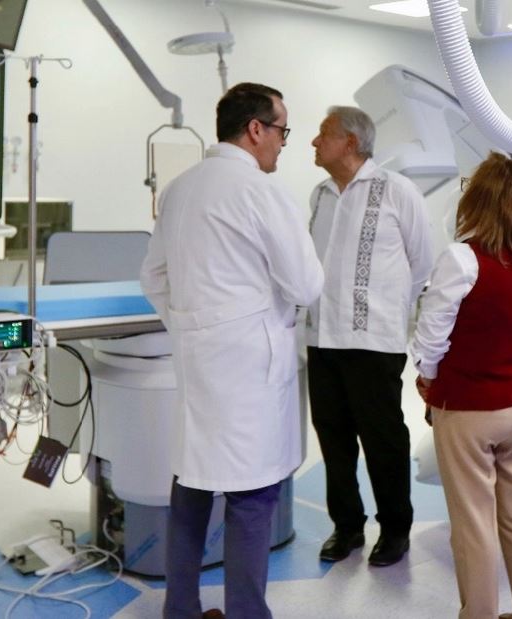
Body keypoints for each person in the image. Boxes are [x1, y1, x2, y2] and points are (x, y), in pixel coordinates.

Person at [140, 82, 324, 619]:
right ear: (256, 130)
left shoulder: (179, 188)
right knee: (251, 498)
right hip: (251, 369)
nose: (285, 143)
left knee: (192, 489)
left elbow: (153, 274)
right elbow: (306, 286)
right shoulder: (262, 193)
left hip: (200, 363)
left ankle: (181, 609)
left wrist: (189, 323)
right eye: (283, 131)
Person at [411, 153, 512, 619]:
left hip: (469, 407)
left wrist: (428, 379)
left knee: (473, 523)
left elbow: (431, 335)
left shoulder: (461, 259)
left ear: (478, 199)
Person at [306, 106, 433, 567]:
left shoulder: (398, 192)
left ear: (351, 143)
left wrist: (392, 312)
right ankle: (347, 527)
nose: (313, 142)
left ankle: (395, 529)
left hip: (374, 342)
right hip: (322, 338)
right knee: (333, 439)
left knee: (383, 440)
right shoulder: (319, 195)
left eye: (323, 134)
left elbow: (422, 262)